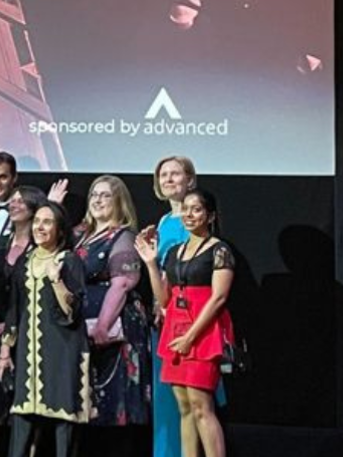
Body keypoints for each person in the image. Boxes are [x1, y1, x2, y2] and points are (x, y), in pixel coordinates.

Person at [135, 188, 234, 457]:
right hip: (175, 328)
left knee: (202, 406)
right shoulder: (176, 251)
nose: (189, 215)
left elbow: (219, 298)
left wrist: (191, 336)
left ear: (210, 215)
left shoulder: (219, 250)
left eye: (196, 209)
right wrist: (151, 264)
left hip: (202, 331)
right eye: (186, 209)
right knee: (185, 407)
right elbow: (164, 299)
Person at [0, 201, 90, 457]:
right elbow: (14, 308)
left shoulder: (68, 260)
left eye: (47, 222)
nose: (40, 226)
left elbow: (72, 312)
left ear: (60, 230)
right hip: (28, 350)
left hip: (63, 348)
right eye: (37, 221)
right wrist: (5, 350)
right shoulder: (25, 261)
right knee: (23, 414)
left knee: (64, 416)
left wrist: (56, 280)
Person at [74, 176, 151, 452]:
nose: (97, 200)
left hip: (114, 329)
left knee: (113, 408)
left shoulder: (123, 236)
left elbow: (122, 282)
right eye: (94, 194)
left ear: (119, 201)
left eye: (105, 195)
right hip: (84, 330)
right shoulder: (81, 235)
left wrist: (104, 326)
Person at [0, 186, 47, 457]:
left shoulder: (40, 249)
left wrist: (12, 326)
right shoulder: (0, 243)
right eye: (11, 202)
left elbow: (36, 295)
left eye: (20, 202)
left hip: (28, 334)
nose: (13, 206)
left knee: (26, 404)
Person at [141, 155, 199, 457]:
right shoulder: (164, 220)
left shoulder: (195, 217)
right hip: (161, 317)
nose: (168, 179)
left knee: (189, 399)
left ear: (190, 179)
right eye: (163, 174)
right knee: (165, 397)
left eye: (175, 174)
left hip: (185, 316)